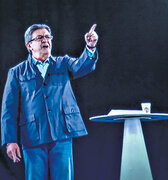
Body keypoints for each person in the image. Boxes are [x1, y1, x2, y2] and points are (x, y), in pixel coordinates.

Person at [1, 23, 98, 180]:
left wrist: (90, 47)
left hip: (61, 134)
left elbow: (83, 66)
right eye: (39, 37)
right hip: (33, 137)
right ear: (29, 45)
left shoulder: (63, 63)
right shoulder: (17, 72)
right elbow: (8, 110)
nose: (45, 40)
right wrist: (10, 140)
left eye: (47, 37)